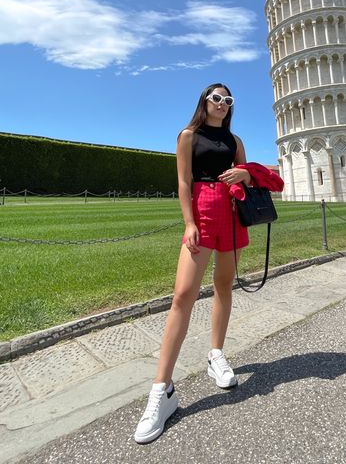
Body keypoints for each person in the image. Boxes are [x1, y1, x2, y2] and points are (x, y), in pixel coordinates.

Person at [134, 83, 251, 444]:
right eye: (216, 98)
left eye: (227, 100)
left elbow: (248, 173)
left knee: (223, 286)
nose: (222, 103)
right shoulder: (188, 135)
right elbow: (184, 183)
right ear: (205, 102)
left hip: (231, 214)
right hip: (201, 211)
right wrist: (189, 222)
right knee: (182, 294)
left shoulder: (235, 141)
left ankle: (216, 354)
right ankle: (161, 390)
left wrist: (245, 174)